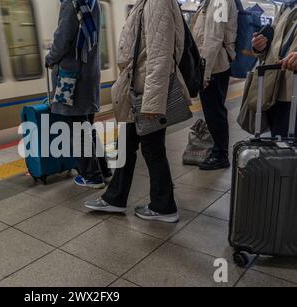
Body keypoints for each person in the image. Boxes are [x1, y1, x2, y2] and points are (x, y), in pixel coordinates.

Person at [84, 0, 188, 223]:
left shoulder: (157, 2)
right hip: (137, 89)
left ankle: (164, 206)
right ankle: (116, 198)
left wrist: (153, 103)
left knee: (151, 148)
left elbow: (160, 55)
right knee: (128, 144)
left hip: (145, 93)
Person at [45, 0, 112, 189]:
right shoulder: (93, 3)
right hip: (89, 73)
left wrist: (50, 58)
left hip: (72, 77)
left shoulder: (70, 3)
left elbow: (62, 39)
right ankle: (103, 170)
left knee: (76, 130)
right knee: (86, 127)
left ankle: (92, 176)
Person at [191, 0, 238, 170]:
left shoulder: (220, 2)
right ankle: (218, 149)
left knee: (215, 111)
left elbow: (214, 37)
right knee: (212, 111)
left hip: (215, 67)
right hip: (212, 66)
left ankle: (220, 154)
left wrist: (205, 72)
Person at [249, 1, 297, 137]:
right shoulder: (287, 6)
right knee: (280, 145)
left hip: (293, 91)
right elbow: (273, 46)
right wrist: (260, 46)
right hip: (276, 89)